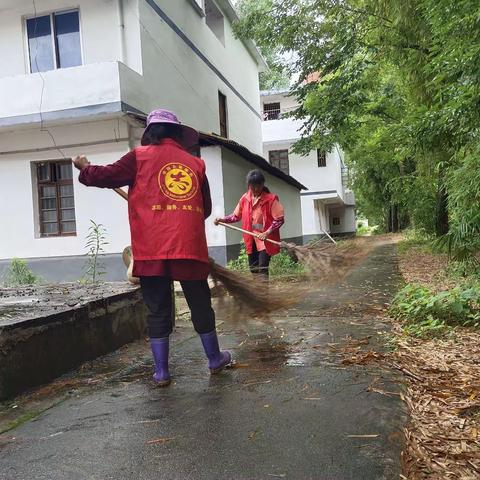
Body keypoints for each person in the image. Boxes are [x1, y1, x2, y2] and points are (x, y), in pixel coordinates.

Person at [73, 109, 231, 387]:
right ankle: (214, 358)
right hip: (189, 247)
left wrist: (84, 167)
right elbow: (204, 208)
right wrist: (181, 214)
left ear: (150, 133)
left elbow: (105, 176)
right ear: (178, 135)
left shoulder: (138, 157)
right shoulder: (195, 164)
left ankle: (161, 372)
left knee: (157, 309)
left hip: (152, 248)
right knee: (199, 303)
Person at [215, 170, 285, 276]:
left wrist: (266, 233)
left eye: (259, 186)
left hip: (264, 240)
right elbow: (236, 216)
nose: (256, 189)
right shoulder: (245, 198)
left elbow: (279, 219)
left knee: (262, 269)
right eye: (253, 187)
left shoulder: (271, 199)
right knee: (253, 269)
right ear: (249, 186)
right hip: (250, 239)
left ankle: (263, 292)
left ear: (263, 184)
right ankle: (256, 291)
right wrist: (222, 220)